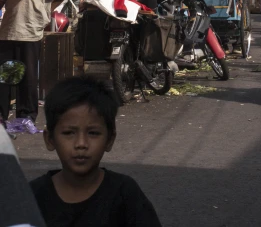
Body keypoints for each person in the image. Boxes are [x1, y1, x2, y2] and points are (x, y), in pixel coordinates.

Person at [30, 76, 162, 227]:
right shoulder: (32, 197)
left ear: (110, 140)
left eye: (93, 133)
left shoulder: (125, 195)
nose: (81, 144)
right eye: (68, 133)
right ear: (50, 139)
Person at [0, 0, 70, 129]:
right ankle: (1, 116)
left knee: (28, 75)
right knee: (6, 76)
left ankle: (26, 116)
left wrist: (46, 12)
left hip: (32, 28)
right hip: (9, 28)